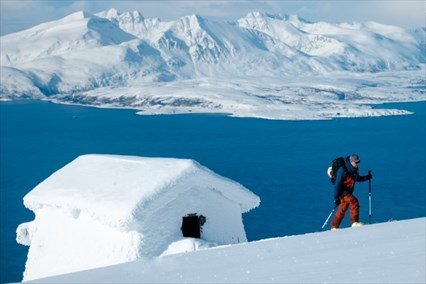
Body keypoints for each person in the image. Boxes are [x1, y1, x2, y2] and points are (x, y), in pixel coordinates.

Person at [331, 154, 372, 230]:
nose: (358, 164)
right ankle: (354, 222)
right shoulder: (342, 170)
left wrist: (366, 177)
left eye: (359, 162)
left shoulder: (354, 169)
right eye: (356, 162)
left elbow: (357, 179)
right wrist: (336, 198)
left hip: (348, 192)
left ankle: (334, 227)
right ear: (351, 162)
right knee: (354, 201)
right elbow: (337, 184)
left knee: (342, 209)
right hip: (343, 192)